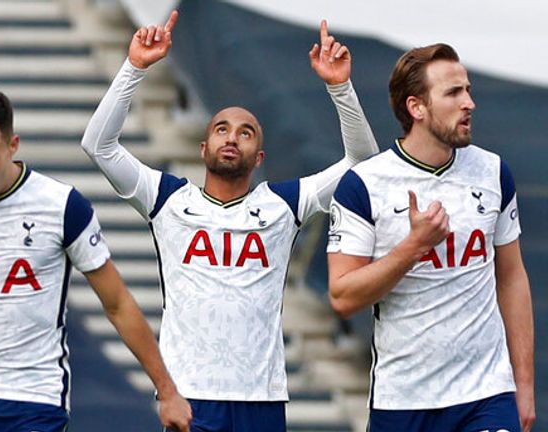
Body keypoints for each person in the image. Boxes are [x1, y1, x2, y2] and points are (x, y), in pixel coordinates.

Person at [81, 11, 378, 431]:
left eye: (245, 132)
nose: (231, 137)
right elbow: (98, 145)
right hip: (191, 393)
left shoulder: (282, 204)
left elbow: (362, 163)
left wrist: (340, 87)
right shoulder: (168, 199)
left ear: (259, 157)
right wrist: (135, 66)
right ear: (204, 148)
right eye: (221, 129)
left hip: (261, 396)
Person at [0, 87, 192, 432]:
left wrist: (167, 390)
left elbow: (117, 303)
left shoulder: (61, 206)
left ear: (12, 146)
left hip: (35, 400)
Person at [327, 43, 535, 431]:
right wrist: (413, 247)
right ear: (416, 108)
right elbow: (342, 297)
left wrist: (523, 385)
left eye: (468, 90)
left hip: (486, 395)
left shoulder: (492, 172)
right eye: (454, 93)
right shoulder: (364, 185)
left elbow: (512, 277)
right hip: (403, 400)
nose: (469, 103)